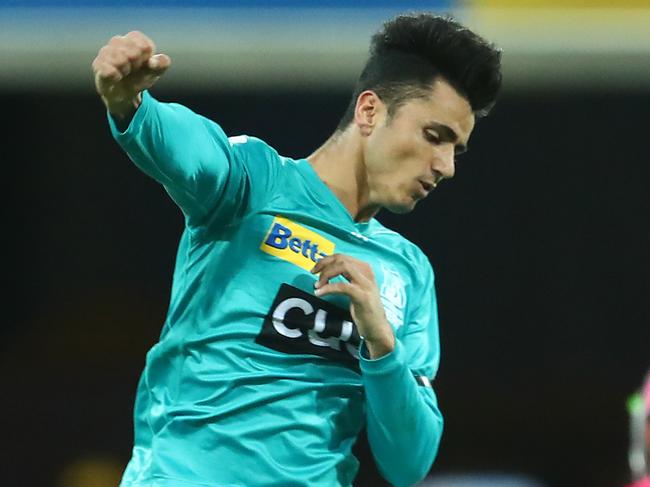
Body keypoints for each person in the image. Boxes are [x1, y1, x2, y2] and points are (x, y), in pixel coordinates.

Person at [92, 13, 501, 487]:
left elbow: (408, 464)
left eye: (457, 150)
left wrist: (381, 343)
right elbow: (194, 154)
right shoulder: (257, 183)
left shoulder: (407, 272)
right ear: (370, 111)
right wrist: (131, 106)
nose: (446, 166)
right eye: (434, 137)